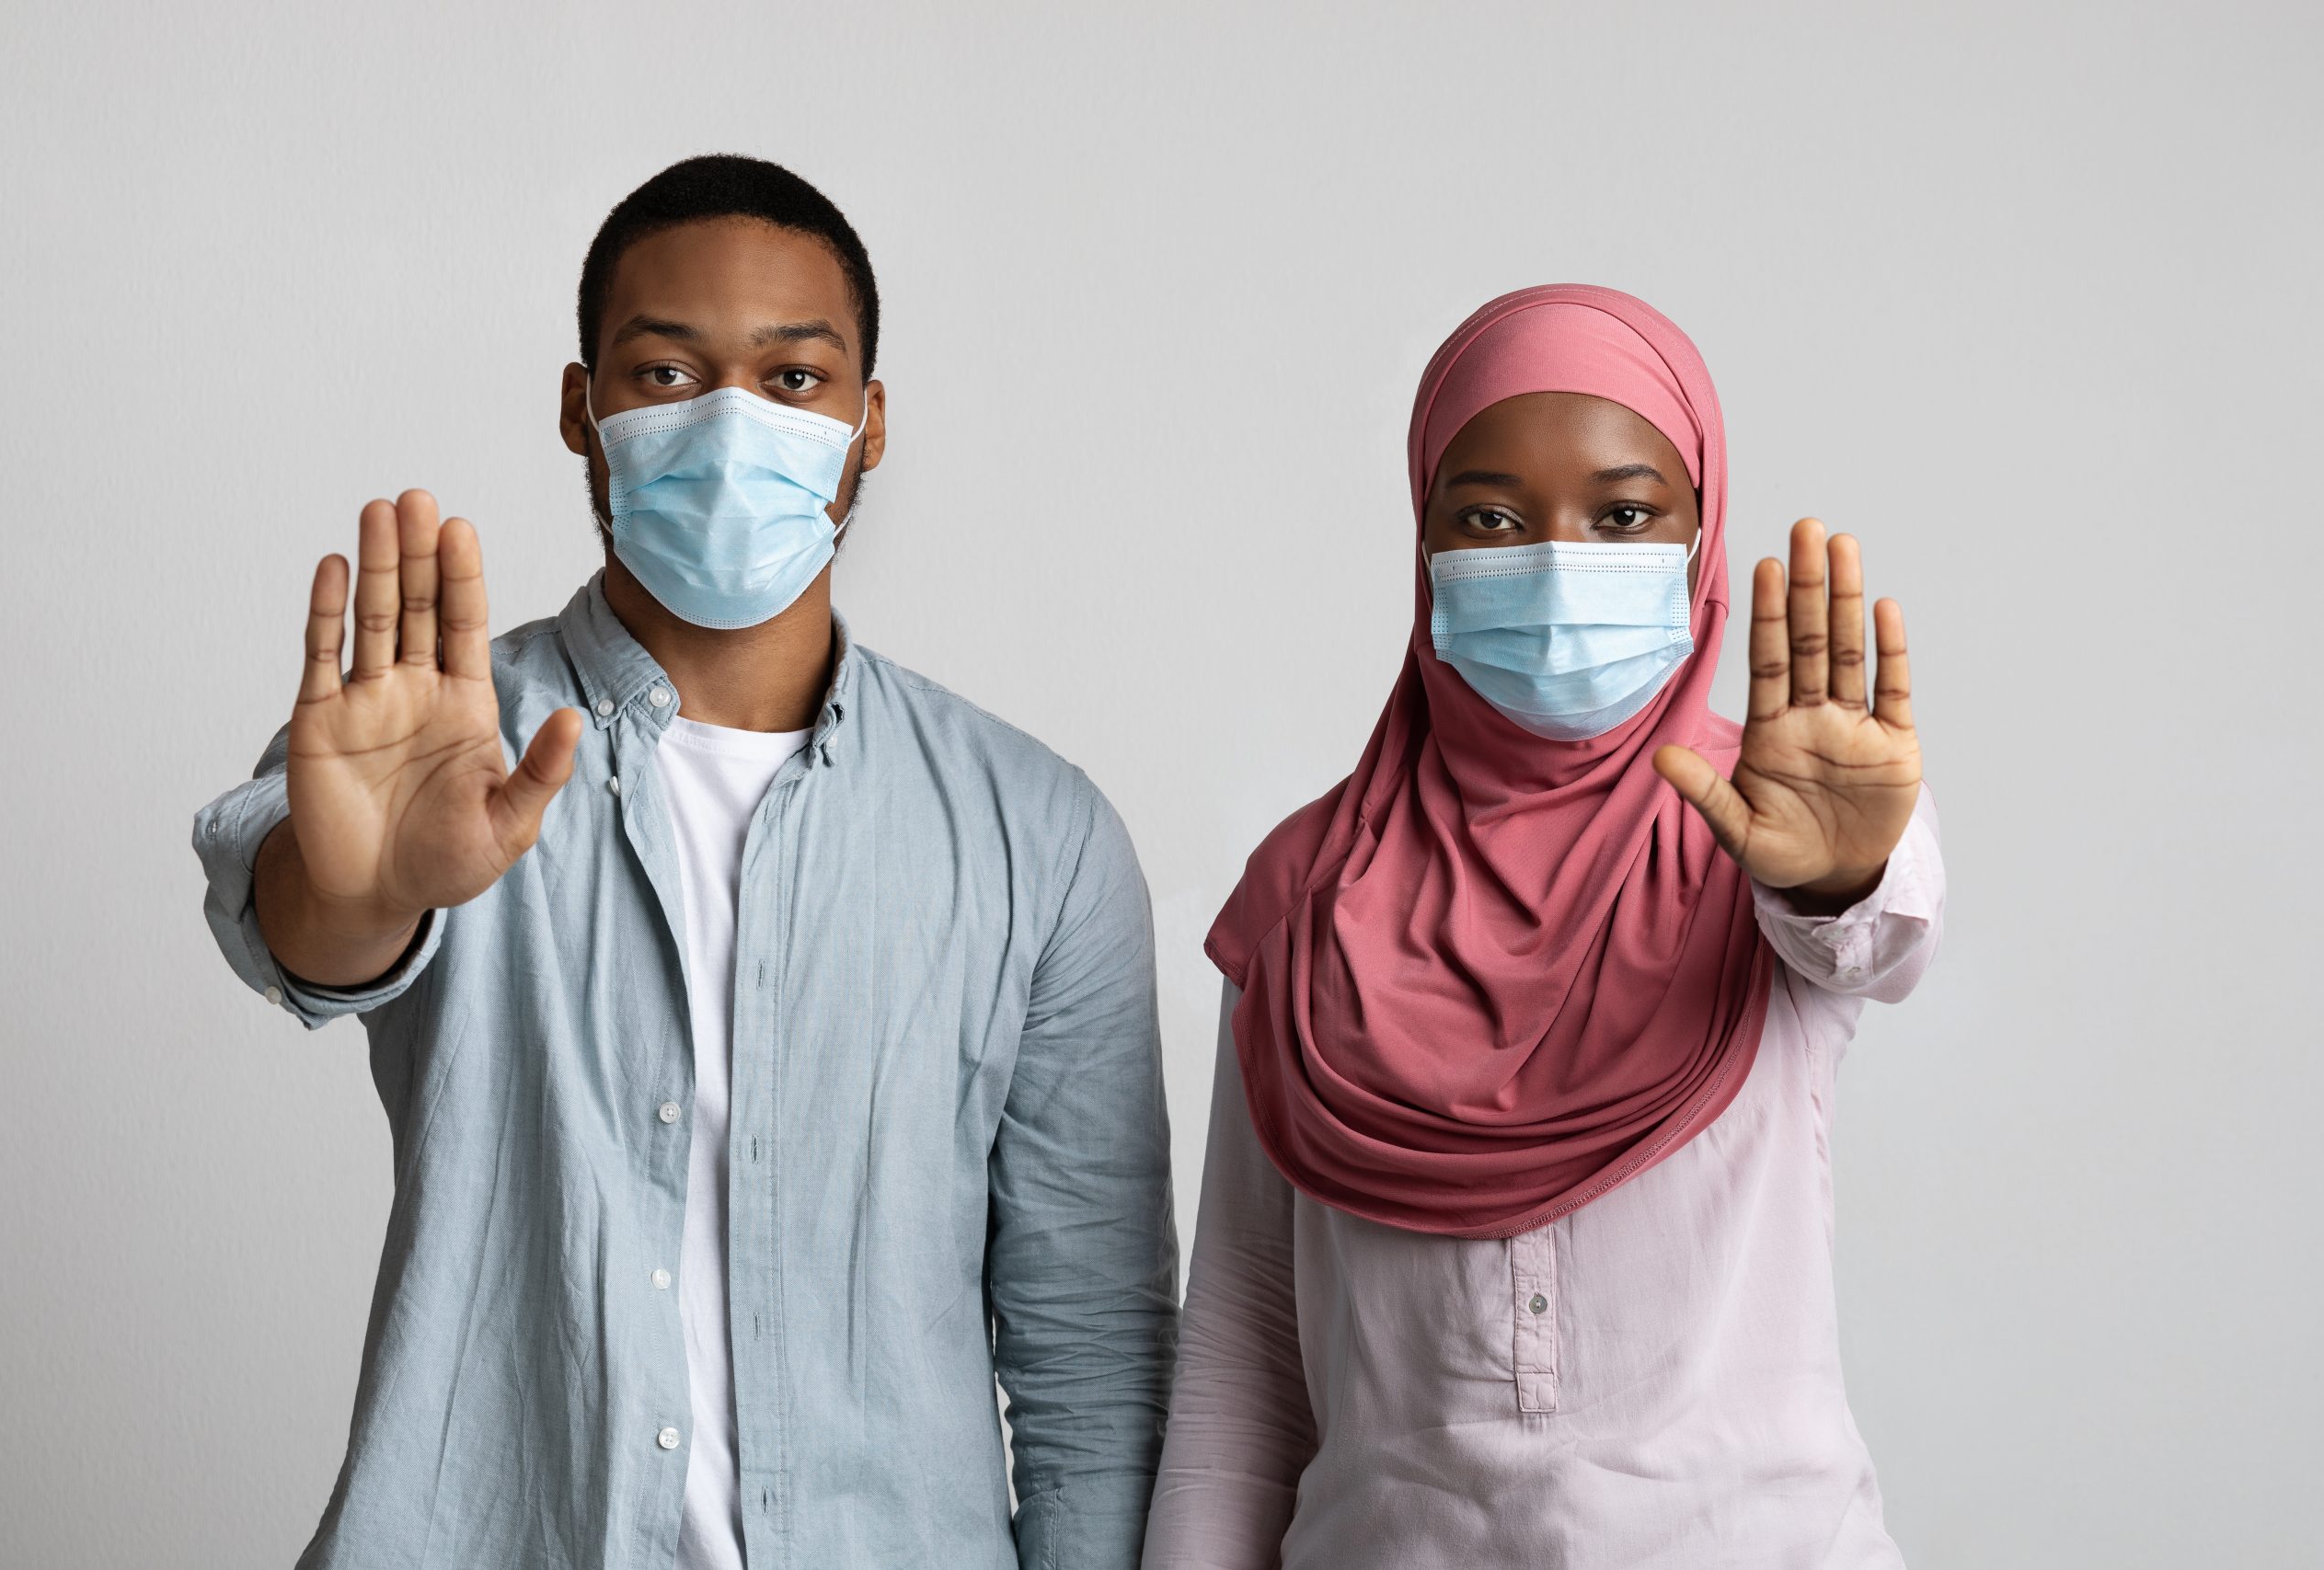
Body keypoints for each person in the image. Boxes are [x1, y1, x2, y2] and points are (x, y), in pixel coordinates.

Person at [191, 155, 1178, 1570]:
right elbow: (303, 927)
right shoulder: (450, 741)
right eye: (664, 373)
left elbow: (1092, 1355)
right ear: (580, 411)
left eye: (791, 380)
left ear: (868, 425)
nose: (729, 420)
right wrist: (363, 894)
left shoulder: (1040, 833)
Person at [1140, 285, 1942, 1567]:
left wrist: (1838, 877)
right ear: (1425, 546)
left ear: (1698, 537)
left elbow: (1871, 944)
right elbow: (1244, 1344)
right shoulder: (1306, 892)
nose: (1561, 560)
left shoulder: (1772, 827)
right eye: (1493, 519)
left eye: (1624, 516)